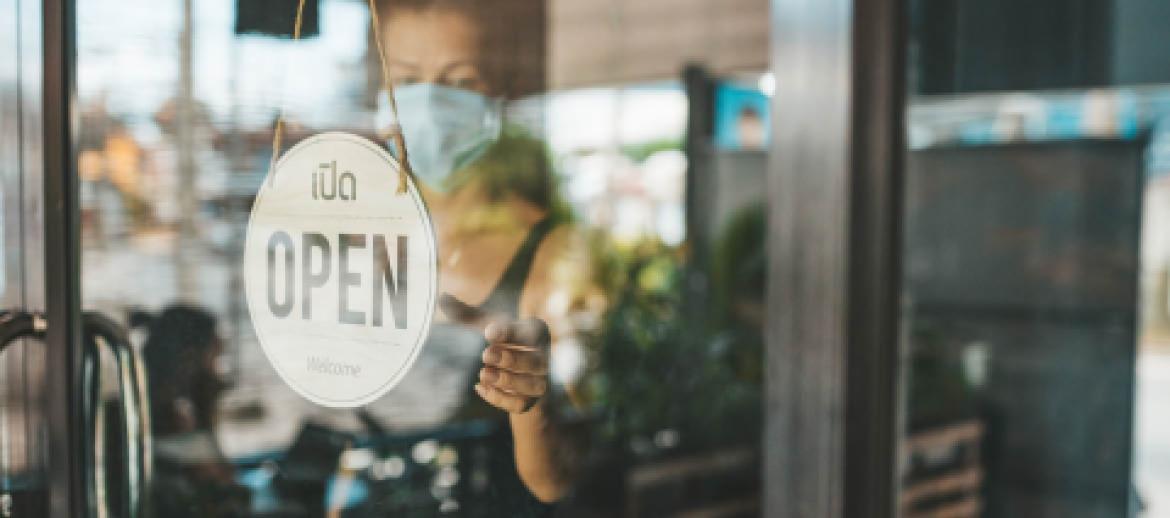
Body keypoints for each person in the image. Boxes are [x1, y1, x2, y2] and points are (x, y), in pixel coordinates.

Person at [362, 0, 594, 511]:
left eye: (460, 81)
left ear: (501, 93)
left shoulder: (547, 254)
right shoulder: (378, 235)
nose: (429, 104)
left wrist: (529, 400)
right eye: (406, 80)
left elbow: (554, 481)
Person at [138, 305, 249, 518]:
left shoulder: (158, 409)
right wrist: (207, 407)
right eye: (215, 360)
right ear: (189, 360)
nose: (218, 373)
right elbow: (223, 484)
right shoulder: (173, 419)